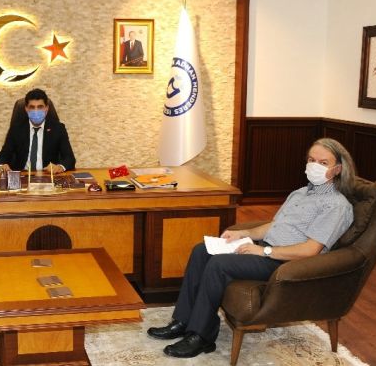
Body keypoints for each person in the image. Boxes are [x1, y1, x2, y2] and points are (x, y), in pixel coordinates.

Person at [147, 138, 355, 359]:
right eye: (311, 160)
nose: (314, 166)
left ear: (337, 169)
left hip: (286, 263)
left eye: (323, 163)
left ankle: (201, 337)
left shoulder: (337, 206)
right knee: (202, 250)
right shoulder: (300, 193)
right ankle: (183, 321)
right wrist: (243, 233)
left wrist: (264, 252)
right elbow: (274, 226)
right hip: (267, 249)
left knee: (219, 264)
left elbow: (311, 249)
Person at [0, 88, 76, 175]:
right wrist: (1, 166)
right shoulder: (16, 129)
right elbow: (4, 154)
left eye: (40, 107)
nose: (36, 111)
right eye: (32, 107)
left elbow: (69, 158)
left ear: (47, 108)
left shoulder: (58, 129)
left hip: (48, 176)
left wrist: (59, 167)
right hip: (23, 176)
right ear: (26, 109)